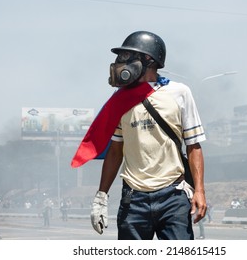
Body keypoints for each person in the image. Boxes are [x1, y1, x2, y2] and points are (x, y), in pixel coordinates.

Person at [77, 31, 207, 240]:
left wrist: (199, 190)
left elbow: (194, 146)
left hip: (173, 196)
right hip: (133, 199)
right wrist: (101, 196)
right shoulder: (121, 101)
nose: (121, 63)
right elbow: (115, 151)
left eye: (128, 57)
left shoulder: (179, 93)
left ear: (148, 59)